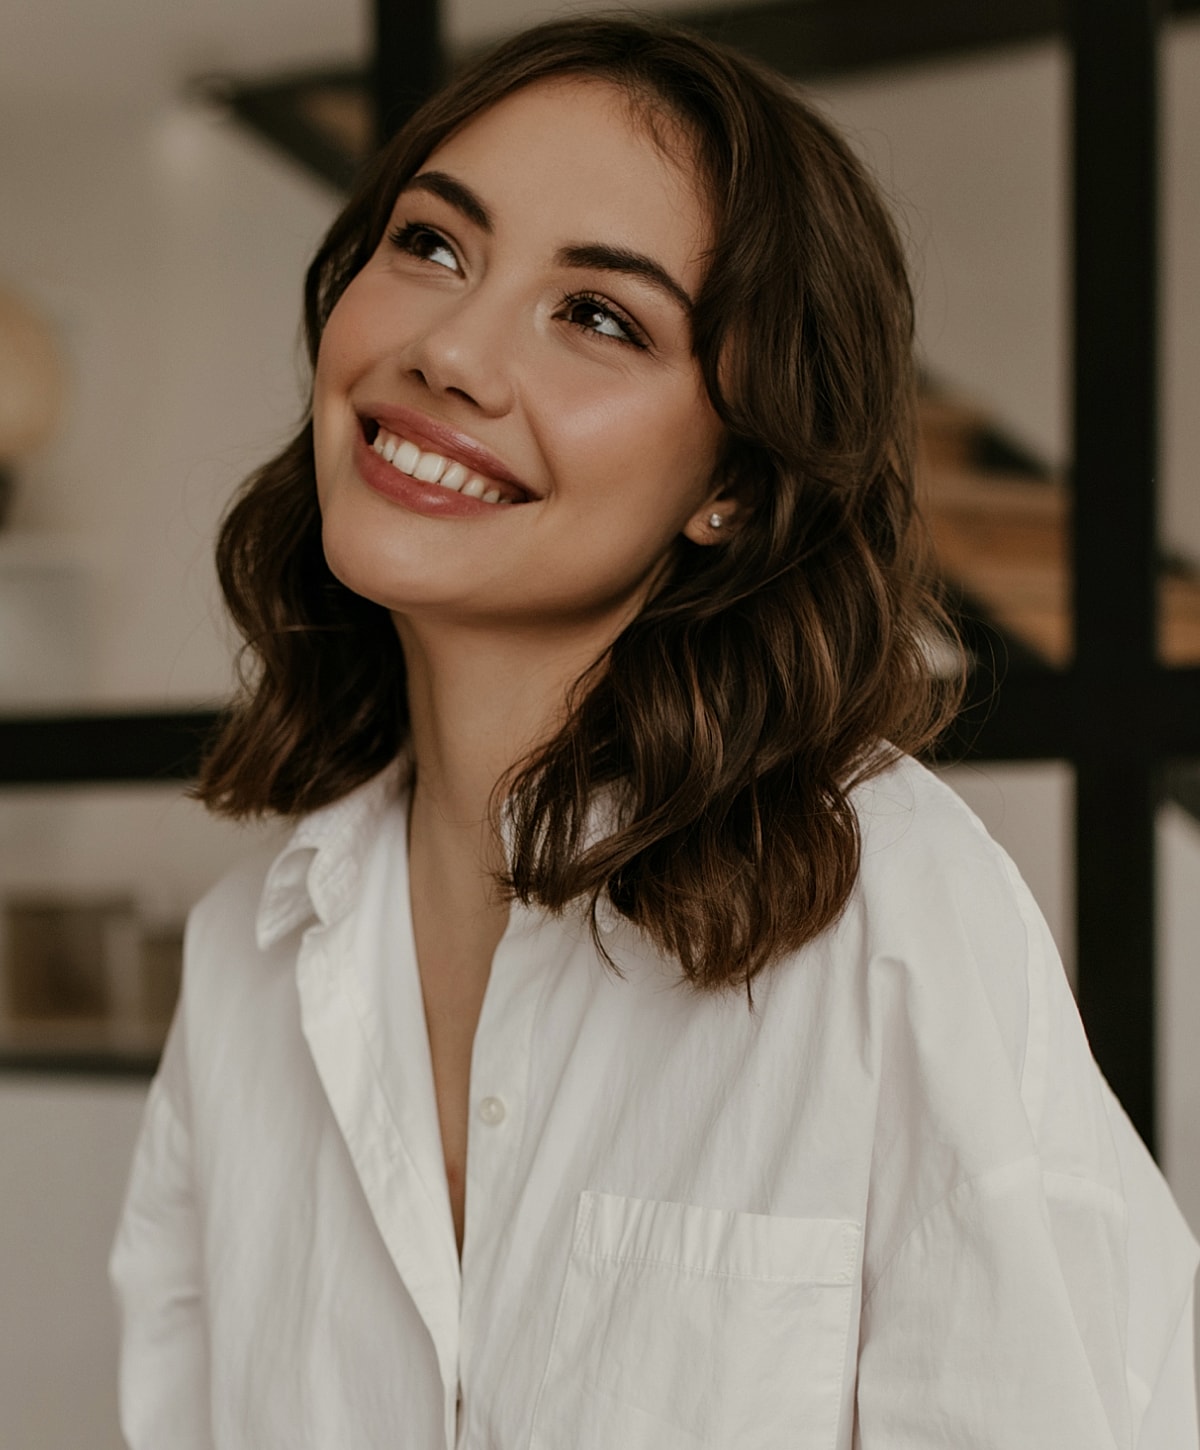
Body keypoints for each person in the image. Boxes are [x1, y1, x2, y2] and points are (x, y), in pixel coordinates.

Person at [110, 14, 1199, 1448]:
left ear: (733, 484)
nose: (449, 350)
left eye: (600, 317)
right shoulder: (246, 963)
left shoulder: (888, 910)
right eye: (431, 244)